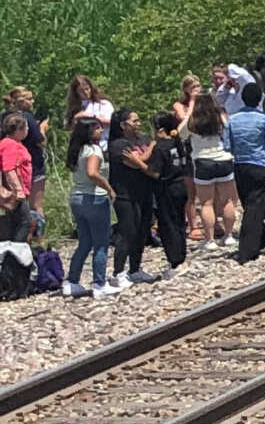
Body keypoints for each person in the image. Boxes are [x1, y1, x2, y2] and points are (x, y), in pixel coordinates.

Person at [225, 79, 265, 263]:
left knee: (250, 204)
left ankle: (259, 240)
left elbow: (227, 146)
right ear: (259, 100)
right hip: (258, 165)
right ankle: (248, 248)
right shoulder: (264, 119)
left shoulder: (232, 120)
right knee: (255, 205)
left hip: (240, 166)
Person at [61, 115, 115, 296]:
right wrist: (108, 188)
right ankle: (100, 284)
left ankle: (72, 281)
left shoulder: (77, 150)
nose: (101, 131)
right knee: (101, 243)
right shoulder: (93, 150)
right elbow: (92, 173)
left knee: (84, 242)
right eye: (98, 128)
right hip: (94, 198)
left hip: (77, 197)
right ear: (90, 132)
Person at [106, 111, 160, 288]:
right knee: (127, 233)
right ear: (123, 125)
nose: (138, 123)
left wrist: (144, 160)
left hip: (144, 192)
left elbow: (145, 161)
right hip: (124, 194)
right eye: (134, 121)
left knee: (141, 231)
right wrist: (152, 145)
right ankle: (118, 272)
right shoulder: (117, 145)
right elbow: (135, 161)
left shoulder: (142, 139)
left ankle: (135, 269)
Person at [185, 105, 238, 248]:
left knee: (206, 203)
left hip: (203, 161)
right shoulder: (219, 119)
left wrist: (189, 112)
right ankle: (229, 235)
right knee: (228, 201)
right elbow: (229, 127)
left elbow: (181, 133)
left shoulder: (193, 121)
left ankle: (210, 240)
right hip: (223, 158)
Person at [147, 107, 190, 271]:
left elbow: (155, 172)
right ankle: (182, 252)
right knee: (179, 220)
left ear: (160, 129)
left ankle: (175, 257)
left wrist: (139, 164)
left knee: (168, 224)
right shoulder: (176, 142)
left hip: (167, 188)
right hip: (180, 184)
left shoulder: (160, 147)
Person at [0, 111, 34, 246]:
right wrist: (18, 191)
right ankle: (15, 253)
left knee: (14, 223)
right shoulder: (10, 145)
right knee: (26, 222)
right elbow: (9, 169)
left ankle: (11, 255)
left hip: (17, 190)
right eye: (26, 128)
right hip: (14, 193)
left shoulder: (11, 143)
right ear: (19, 129)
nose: (28, 130)